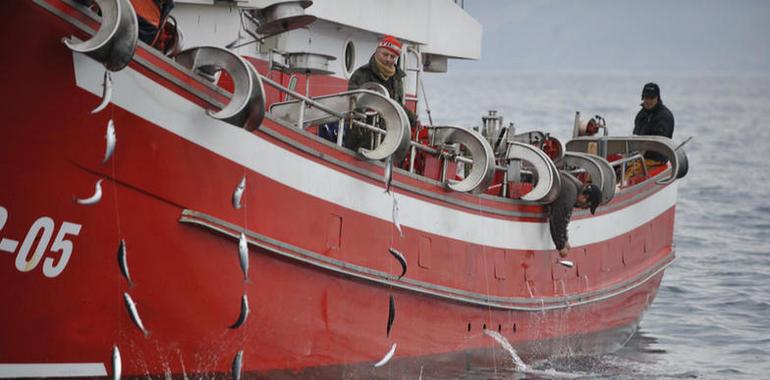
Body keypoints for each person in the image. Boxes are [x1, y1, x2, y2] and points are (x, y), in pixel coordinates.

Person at [343, 35, 416, 151]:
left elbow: (397, 105)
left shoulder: (397, 79)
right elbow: (352, 103)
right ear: (377, 51)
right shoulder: (361, 74)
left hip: (388, 138)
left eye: (392, 56)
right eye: (385, 54)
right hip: (361, 137)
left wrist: (413, 119)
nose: (388, 59)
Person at [548, 171, 603, 258]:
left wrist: (565, 239)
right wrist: (561, 246)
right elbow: (557, 220)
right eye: (587, 205)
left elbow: (564, 218)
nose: (583, 208)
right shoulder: (570, 194)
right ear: (585, 197)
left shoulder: (575, 187)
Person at [633, 82, 675, 163]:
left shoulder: (664, 116)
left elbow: (660, 142)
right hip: (638, 157)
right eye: (646, 97)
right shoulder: (641, 114)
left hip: (657, 160)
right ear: (643, 97)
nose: (648, 101)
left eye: (651, 98)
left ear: (657, 98)